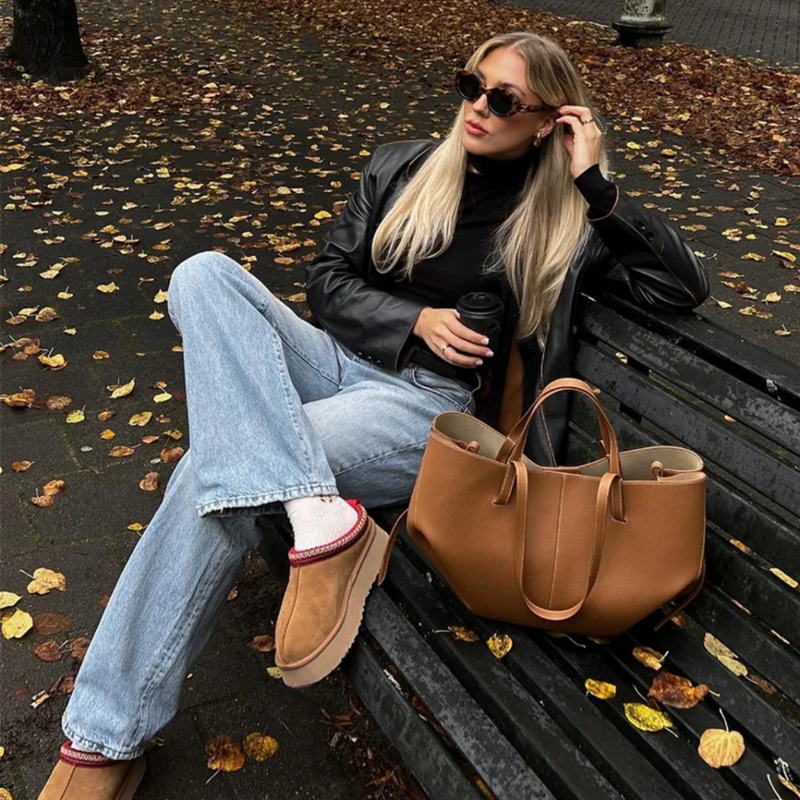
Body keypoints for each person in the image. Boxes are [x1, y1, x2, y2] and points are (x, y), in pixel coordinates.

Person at [37, 30, 708, 799]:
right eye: (471, 84)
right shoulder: (404, 166)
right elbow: (327, 281)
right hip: (338, 362)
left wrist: (595, 184)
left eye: (504, 100)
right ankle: (322, 517)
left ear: (551, 119)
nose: (477, 107)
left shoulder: (566, 220)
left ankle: (101, 741)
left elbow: (679, 288)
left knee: (211, 471)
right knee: (203, 275)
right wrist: (414, 323)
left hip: (428, 410)